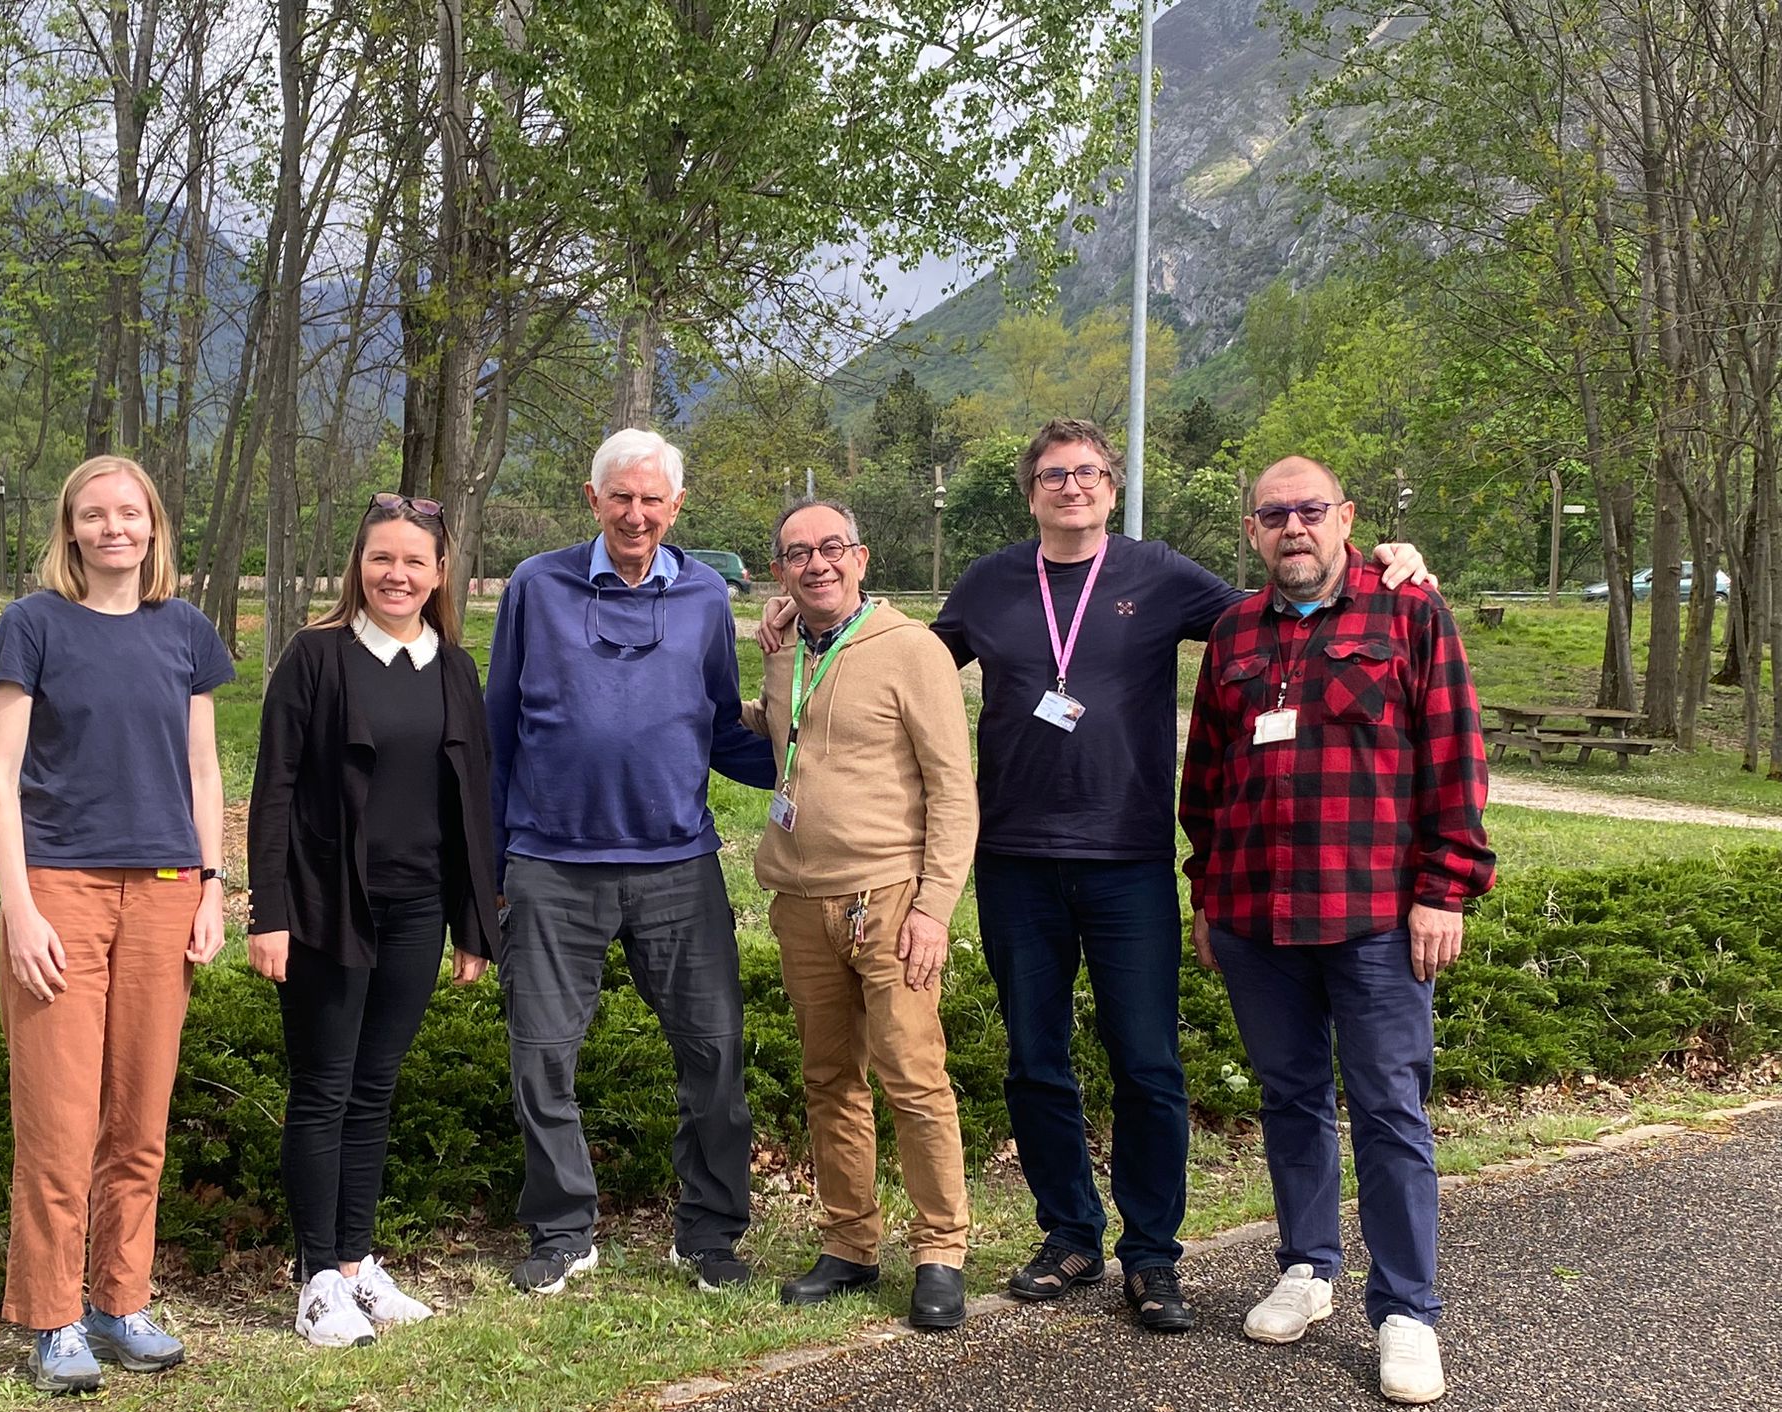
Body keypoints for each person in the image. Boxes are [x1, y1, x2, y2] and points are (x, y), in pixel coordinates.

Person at [761, 418, 1430, 1333]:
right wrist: (801, 624)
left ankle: (1151, 1254)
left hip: (1128, 859)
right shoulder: (990, 582)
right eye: (1053, 475)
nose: (1071, 487)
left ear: (1112, 488)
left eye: (1088, 474)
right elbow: (890, 652)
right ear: (1030, 492)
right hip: (1016, 859)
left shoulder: (1161, 575)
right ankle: (1069, 1233)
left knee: (1147, 1063)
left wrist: (1383, 561)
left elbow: (1281, 599)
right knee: (1036, 1060)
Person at [1181, 454, 1494, 1404]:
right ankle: (1307, 1267)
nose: (1294, 528)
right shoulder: (1234, 633)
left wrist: (1445, 890)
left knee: (1390, 1109)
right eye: (1274, 514)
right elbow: (1206, 779)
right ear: (1252, 530)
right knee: (1290, 1096)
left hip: (1375, 918)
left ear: (1346, 518)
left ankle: (1407, 1312)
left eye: (1310, 511)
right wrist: (1206, 893)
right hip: (1256, 913)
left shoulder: (1410, 614)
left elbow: (1454, 759)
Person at [486, 427, 777, 1294]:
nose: (636, 513)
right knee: (542, 1057)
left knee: (714, 1052)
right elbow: (498, 728)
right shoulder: (536, 586)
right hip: (550, 862)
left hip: (677, 864)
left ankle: (710, 1233)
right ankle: (562, 1231)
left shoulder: (704, 597)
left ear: (676, 507)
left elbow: (719, 721)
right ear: (593, 499)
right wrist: (492, 862)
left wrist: (811, 759)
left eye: (653, 499)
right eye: (621, 496)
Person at [0, 455, 231, 1394]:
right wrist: (20, 907)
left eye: (130, 512)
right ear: (71, 529)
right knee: (58, 1121)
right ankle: (53, 1320)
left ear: (154, 525)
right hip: (62, 890)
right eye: (94, 514)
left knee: (139, 1117)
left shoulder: (187, 630)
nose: (113, 527)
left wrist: (212, 887)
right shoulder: (33, 624)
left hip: (166, 888)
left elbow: (202, 770)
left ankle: (120, 1302)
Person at [247, 494, 500, 1347]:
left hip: (418, 908)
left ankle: (356, 1267)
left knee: (374, 1087)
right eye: (381, 558)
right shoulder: (316, 657)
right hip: (326, 907)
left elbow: (470, 806)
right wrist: (269, 912)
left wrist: (473, 922)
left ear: (440, 573)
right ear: (358, 566)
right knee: (323, 1088)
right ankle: (317, 1279)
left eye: (414, 561)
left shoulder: (454, 668)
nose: (397, 574)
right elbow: (274, 792)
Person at [744, 500, 978, 1330]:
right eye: (798, 553)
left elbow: (953, 787)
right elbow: (788, 738)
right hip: (801, 903)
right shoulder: (784, 651)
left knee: (913, 1076)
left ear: (862, 557)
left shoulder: (912, 650)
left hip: (889, 902)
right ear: (780, 572)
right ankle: (849, 1242)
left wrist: (933, 908)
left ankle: (940, 1250)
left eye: (832, 548)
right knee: (829, 1079)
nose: (817, 564)